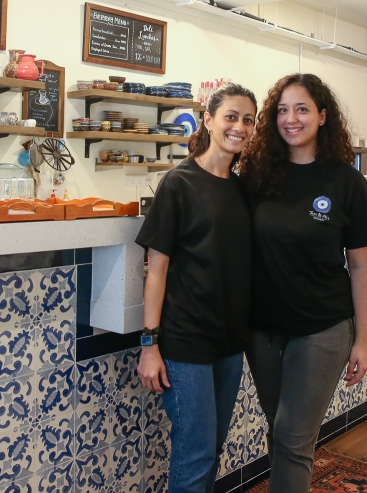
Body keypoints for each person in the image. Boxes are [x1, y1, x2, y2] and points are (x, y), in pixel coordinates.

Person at [239, 74, 367, 492]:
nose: (291, 119)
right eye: (282, 110)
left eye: (301, 109)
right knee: (280, 431)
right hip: (262, 329)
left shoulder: (345, 182)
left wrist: (362, 339)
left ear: (322, 116)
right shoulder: (256, 177)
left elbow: (359, 268)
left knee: (292, 438)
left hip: (323, 328)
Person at [135, 83, 258, 493]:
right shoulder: (178, 183)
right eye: (230, 117)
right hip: (185, 344)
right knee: (196, 454)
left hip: (229, 344)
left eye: (247, 120)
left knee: (212, 449)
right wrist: (149, 345)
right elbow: (156, 269)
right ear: (208, 120)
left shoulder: (244, 189)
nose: (239, 127)